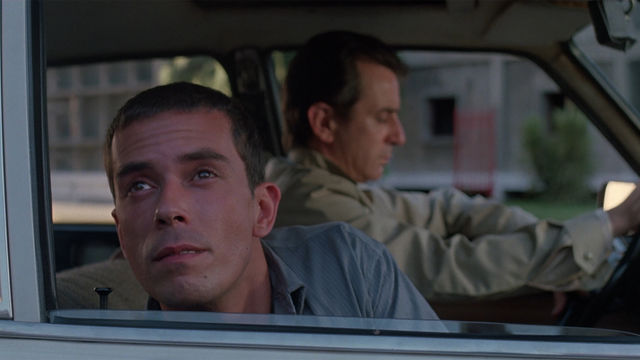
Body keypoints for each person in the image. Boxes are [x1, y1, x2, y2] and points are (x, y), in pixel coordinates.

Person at [266, 30, 640, 304]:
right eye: (383, 117)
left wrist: (561, 250)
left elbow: (446, 209)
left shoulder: (330, 185)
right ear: (325, 123)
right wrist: (610, 223)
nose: (399, 136)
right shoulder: (315, 206)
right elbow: (450, 266)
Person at [58, 81, 438, 319]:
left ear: (263, 210)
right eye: (139, 186)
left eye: (203, 174)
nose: (169, 208)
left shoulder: (351, 267)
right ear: (122, 233)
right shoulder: (104, 345)